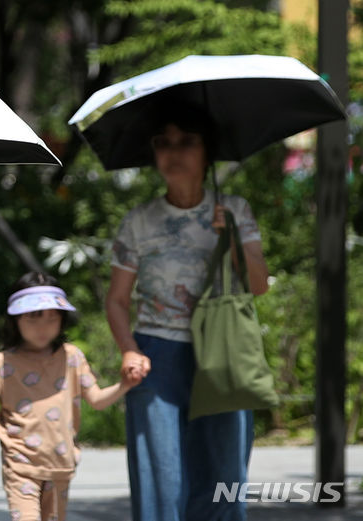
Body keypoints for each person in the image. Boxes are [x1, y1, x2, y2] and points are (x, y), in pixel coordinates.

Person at [105, 105, 269, 521]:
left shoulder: (235, 209)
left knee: (224, 478)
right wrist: (128, 349)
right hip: (156, 354)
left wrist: (229, 237)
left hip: (222, 350)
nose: (173, 152)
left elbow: (259, 285)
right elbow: (117, 300)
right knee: (160, 478)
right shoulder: (139, 221)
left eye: (187, 141)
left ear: (207, 152)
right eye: (164, 143)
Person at [0, 271, 140, 521]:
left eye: (52, 317)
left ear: (62, 319)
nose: (43, 327)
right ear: (15, 320)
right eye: (33, 317)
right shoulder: (4, 363)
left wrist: (125, 384)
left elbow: (97, 400)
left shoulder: (72, 357)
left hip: (61, 467)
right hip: (20, 466)